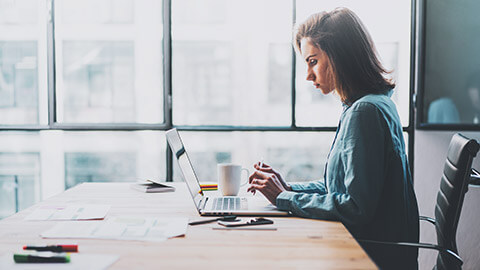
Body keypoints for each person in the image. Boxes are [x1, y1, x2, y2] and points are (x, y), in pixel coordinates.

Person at [248, 8, 419, 269]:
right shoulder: (369, 105)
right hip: (369, 247)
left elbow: (354, 208)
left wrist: (283, 198)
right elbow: (338, 188)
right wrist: (288, 188)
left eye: (313, 61)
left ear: (340, 56)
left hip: (368, 255)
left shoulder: (365, 112)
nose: (308, 75)